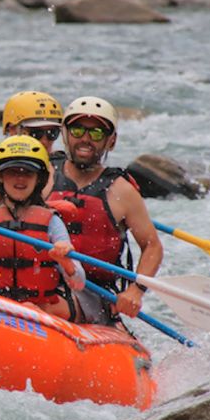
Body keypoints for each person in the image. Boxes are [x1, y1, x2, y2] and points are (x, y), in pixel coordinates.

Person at [47, 96, 163, 324]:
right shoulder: (43, 174)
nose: (86, 139)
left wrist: (135, 291)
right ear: (65, 134)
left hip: (94, 292)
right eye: (78, 130)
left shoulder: (122, 191)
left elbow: (152, 245)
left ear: (111, 141)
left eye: (97, 133)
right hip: (42, 279)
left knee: (52, 304)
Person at [0, 135, 86, 320]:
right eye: (13, 172)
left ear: (39, 179)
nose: (20, 178)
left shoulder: (52, 221)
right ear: (0, 176)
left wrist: (65, 261)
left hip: (43, 308)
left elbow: (79, 283)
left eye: (28, 172)